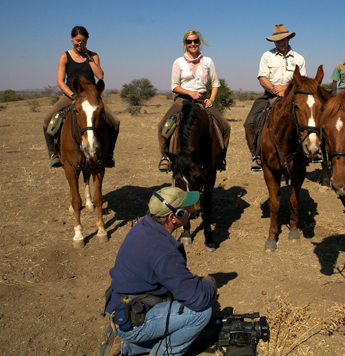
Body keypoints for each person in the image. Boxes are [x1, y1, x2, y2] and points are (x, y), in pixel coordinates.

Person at [99, 187, 217, 356]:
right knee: (201, 313)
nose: (190, 210)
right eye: (186, 208)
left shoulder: (145, 225)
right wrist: (209, 284)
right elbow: (197, 299)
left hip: (123, 307)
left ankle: (126, 347)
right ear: (174, 217)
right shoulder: (163, 251)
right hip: (133, 318)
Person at [43, 26, 119, 168]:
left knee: (115, 121)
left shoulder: (93, 56)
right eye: (77, 41)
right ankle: (54, 154)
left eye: (83, 41)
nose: (80, 44)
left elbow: (100, 75)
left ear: (87, 40)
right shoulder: (64, 56)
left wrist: (88, 56)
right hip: (71, 94)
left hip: (91, 95)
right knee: (47, 120)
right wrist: (72, 95)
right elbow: (59, 81)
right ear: (71, 39)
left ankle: (109, 154)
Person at [157, 30, 230, 172]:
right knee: (162, 126)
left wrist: (211, 99)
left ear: (199, 43)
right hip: (182, 100)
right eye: (189, 42)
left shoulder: (208, 61)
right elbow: (174, 86)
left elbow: (215, 83)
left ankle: (220, 157)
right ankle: (165, 157)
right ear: (185, 44)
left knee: (226, 126)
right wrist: (190, 92)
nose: (193, 44)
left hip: (203, 100)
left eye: (195, 41)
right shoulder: (178, 62)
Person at [243, 24, 306, 171]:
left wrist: (285, 89)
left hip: (293, 95)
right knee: (249, 123)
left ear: (289, 38)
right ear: (274, 42)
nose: (281, 43)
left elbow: (302, 80)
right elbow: (262, 77)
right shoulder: (267, 56)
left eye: (283, 39)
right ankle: (257, 155)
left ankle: (313, 153)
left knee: (311, 119)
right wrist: (274, 90)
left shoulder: (299, 58)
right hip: (270, 95)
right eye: (277, 41)